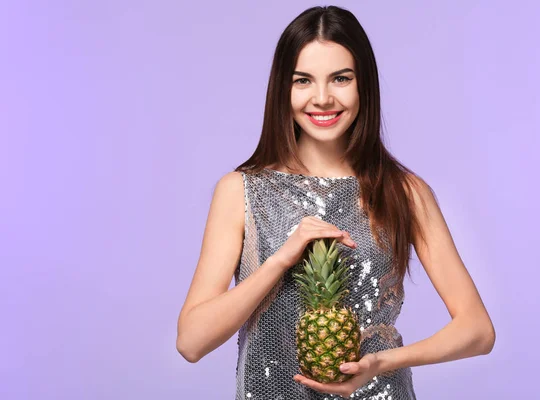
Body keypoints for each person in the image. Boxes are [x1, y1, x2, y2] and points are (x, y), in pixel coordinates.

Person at [176, 5, 495, 399]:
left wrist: (382, 362)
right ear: (283, 89)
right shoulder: (241, 190)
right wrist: (280, 258)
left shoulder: (405, 192)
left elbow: (477, 330)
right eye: (303, 81)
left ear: (364, 85)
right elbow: (192, 342)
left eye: (341, 78)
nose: (323, 98)